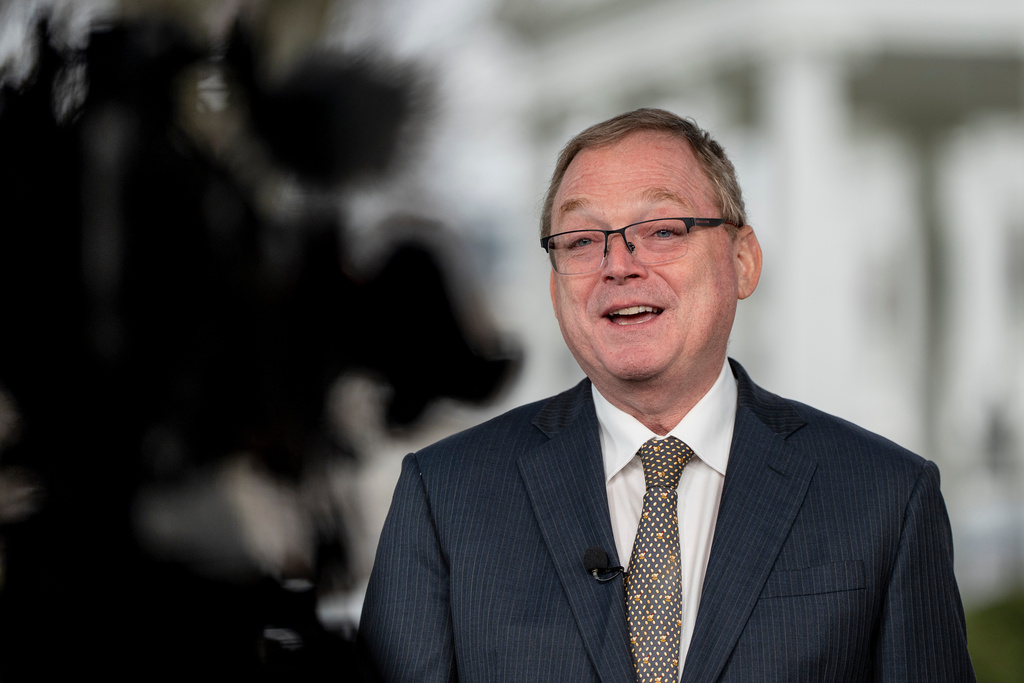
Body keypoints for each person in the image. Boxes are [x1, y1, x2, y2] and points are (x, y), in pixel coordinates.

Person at [358, 108, 975, 682]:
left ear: (742, 262)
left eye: (661, 230)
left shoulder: (886, 498)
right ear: (554, 290)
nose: (617, 265)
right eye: (579, 241)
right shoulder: (444, 499)